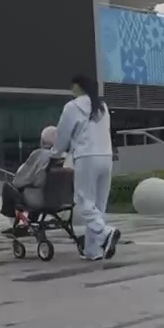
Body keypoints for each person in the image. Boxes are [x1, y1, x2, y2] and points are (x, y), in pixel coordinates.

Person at [51, 73, 120, 261]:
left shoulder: (72, 107)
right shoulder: (102, 106)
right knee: (98, 205)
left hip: (86, 156)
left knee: (83, 201)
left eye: (72, 86)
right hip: (106, 157)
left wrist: (55, 154)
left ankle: (105, 232)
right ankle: (93, 250)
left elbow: (62, 134)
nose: (71, 90)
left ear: (78, 86)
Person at [0, 126, 60, 236]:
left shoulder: (39, 154)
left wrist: (19, 184)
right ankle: (27, 222)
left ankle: (17, 224)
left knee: (8, 188)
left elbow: (20, 179)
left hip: (39, 200)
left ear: (42, 141)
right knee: (32, 190)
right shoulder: (61, 155)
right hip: (58, 201)